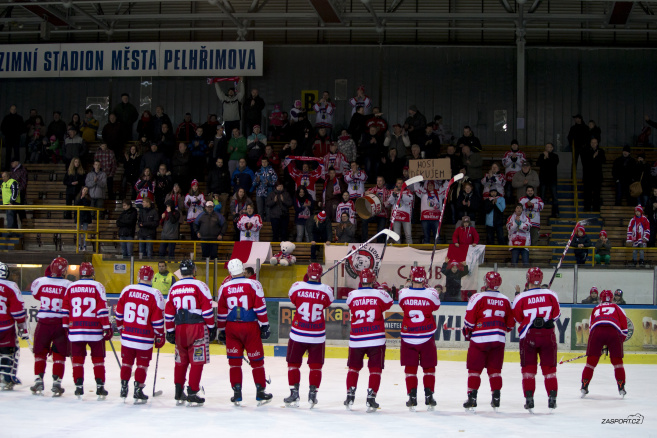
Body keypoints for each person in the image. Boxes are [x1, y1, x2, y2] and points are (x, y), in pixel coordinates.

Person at [217, 259, 272, 406]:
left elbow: (222, 311)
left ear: (229, 271)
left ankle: (237, 393)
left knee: (234, 362)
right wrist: (265, 325)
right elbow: (260, 307)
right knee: (257, 361)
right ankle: (260, 392)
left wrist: (221, 329)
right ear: (242, 269)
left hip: (232, 328)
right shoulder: (254, 284)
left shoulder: (224, 287)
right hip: (250, 327)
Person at [164, 260, 216, 406]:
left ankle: (178, 391)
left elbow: (168, 313)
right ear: (193, 270)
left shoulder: (174, 287)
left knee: (180, 361)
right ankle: (193, 392)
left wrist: (170, 331)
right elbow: (207, 310)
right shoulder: (200, 285)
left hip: (180, 328)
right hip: (196, 328)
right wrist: (211, 327)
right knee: (197, 361)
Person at [462, 271, 515, 411]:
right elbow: (510, 324)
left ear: (486, 282)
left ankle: (472, 398)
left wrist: (467, 330)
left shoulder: (477, 297)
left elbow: (469, 321)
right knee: (495, 371)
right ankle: (496, 398)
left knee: (474, 370)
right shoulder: (505, 300)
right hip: (498, 339)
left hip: (479, 340)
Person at [283, 263, 335, 408]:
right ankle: (313, 395)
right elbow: (327, 303)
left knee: (293, 364)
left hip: (298, 333)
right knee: (316, 366)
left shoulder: (297, 286)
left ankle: (294, 393)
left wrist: (307, 284)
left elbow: (294, 300)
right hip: (317, 334)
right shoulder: (326, 290)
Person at [511, 267, 561, 412]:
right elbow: (556, 315)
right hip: (548, 335)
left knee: (528, 369)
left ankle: (529, 399)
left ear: (528, 279)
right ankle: (552, 399)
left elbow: (517, 318)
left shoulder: (520, 297)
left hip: (529, 335)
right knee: (550, 370)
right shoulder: (551, 294)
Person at [344, 268, 393, 411]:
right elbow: (389, 302)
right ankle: (371, 397)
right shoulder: (380, 294)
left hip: (357, 338)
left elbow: (350, 304)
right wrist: (378, 288)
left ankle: (350, 395)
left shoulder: (352, 295)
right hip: (376, 339)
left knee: (353, 368)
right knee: (375, 369)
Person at [115, 266, 165, 403]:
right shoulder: (155, 293)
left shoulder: (127, 289)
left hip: (127, 336)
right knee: (142, 365)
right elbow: (157, 320)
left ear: (138, 276)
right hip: (145, 338)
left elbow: (118, 314)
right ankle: (138, 390)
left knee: (126, 363)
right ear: (152, 277)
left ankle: (123, 388)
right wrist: (160, 335)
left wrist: (121, 328)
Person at [62, 262, 112, 399]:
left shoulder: (71, 287)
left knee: (77, 360)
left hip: (76, 330)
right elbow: (102, 309)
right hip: (95, 330)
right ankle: (100, 387)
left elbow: (65, 309)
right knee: (98, 359)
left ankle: (78, 387)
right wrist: (106, 327)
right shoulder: (98, 286)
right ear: (92, 273)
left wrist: (65, 326)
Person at [397, 266, 441, 410]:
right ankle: (429, 396)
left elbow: (403, 306)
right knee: (429, 367)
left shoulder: (403, 293)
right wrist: (428, 288)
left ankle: (412, 397)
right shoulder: (431, 293)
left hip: (408, 336)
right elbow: (436, 306)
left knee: (410, 368)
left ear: (411, 277)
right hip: (426, 336)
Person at [28, 258, 71, 395]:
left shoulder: (40, 282)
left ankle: (38, 380)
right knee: (59, 354)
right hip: (60, 324)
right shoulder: (68, 285)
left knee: (40, 352)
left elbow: (36, 296)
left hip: (43, 323)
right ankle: (57, 383)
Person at [580, 289, 628, 398]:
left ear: (600, 299)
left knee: (591, 362)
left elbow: (591, 328)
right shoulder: (617, 308)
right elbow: (624, 329)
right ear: (612, 298)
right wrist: (618, 343)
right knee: (617, 362)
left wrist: (598, 346)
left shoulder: (596, 308)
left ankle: (584, 385)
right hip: (613, 331)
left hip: (596, 332)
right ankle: (621, 387)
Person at [0, 262, 27, 390]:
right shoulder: (11, 286)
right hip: (5, 327)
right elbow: (17, 311)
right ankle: (6, 377)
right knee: (9, 352)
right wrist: (22, 325)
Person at [387, 178, 414, 244]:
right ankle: (397, 250)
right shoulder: (392, 191)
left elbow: (410, 200)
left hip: (406, 216)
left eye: (401, 183)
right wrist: (394, 194)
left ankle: (410, 249)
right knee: (396, 236)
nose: (400, 185)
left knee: (408, 235)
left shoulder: (408, 191)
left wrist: (401, 195)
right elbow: (389, 201)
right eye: (399, 183)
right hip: (396, 216)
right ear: (396, 184)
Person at [581, 138, 606, 211]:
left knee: (597, 194)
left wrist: (596, 158)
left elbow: (603, 160)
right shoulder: (586, 151)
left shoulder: (601, 151)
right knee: (587, 193)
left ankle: (596, 208)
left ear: (597, 143)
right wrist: (593, 157)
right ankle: (587, 208)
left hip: (597, 176)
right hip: (588, 176)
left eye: (595, 142)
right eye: (592, 142)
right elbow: (585, 162)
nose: (593, 144)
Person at [253, 156, 277, 221]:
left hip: (269, 193)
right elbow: (254, 183)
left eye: (265, 162)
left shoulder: (271, 171)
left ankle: (268, 226)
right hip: (259, 194)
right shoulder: (258, 171)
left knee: (268, 211)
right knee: (260, 211)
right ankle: (260, 225)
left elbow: (275, 182)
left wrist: (269, 182)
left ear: (268, 162)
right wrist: (257, 181)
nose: (264, 163)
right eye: (262, 162)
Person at [1, 105, 25, 170]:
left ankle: (17, 168)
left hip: (16, 138)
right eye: (12, 109)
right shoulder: (6, 118)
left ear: (16, 110)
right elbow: (2, 127)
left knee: (16, 153)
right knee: (8, 153)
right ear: (10, 110)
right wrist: (6, 133)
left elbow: (23, 128)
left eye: (14, 109)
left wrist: (18, 133)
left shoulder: (19, 118)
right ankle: (7, 168)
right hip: (8, 138)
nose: (13, 110)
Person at [75, 186, 92, 251]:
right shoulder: (77, 197)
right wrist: (81, 198)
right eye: (84, 190)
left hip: (85, 217)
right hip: (78, 216)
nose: (84, 191)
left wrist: (83, 198)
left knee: (85, 231)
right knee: (78, 231)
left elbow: (86, 205)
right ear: (81, 190)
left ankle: (85, 245)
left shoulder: (88, 199)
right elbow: (76, 204)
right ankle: (79, 245)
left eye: (86, 190)